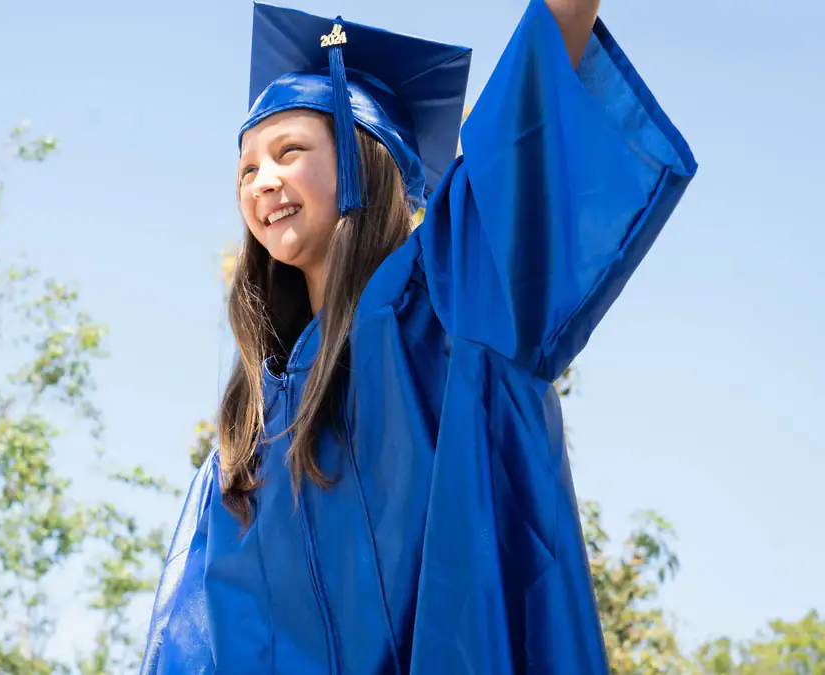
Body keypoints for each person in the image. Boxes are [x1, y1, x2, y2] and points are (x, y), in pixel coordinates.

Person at [142, 0, 696, 672]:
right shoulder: (245, 442)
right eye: (246, 169)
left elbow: (537, 77)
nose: (263, 181)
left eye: (289, 152)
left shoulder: (447, 295)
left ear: (361, 158)